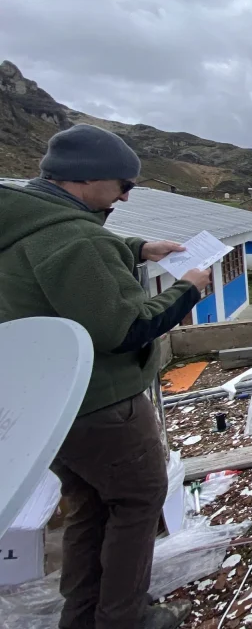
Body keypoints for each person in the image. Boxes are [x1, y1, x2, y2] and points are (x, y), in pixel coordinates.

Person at [0, 124, 213, 629]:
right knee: (138, 499)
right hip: (103, 402)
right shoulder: (72, 239)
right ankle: (125, 617)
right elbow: (129, 326)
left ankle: (83, 615)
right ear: (86, 179)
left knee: (91, 505)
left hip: (51, 407)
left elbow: (70, 258)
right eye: (123, 183)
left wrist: (139, 248)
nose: (126, 194)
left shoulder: (24, 220)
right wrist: (186, 290)